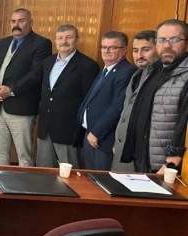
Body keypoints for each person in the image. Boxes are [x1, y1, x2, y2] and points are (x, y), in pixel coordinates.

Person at [0, 8, 51, 167]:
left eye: (21, 21)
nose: (16, 25)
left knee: (24, 155)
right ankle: (0, 182)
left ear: (30, 23)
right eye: (13, 21)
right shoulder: (3, 42)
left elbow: (35, 74)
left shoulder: (41, 44)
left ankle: (24, 184)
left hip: (21, 108)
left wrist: (10, 90)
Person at [121, 20, 188, 173]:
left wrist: (171, 161)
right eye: (162, 40)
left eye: (174, 40)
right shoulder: (154, 71)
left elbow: (184, 123)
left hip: (166, 167)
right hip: (143, 159)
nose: (167, 45)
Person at [36, 24, 99, 168]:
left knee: (69, 173)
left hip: (69, 131)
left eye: (69, 37)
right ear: (55, 41)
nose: (64, 41)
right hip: (46, 129)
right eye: (60, 38)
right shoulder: (47, 62)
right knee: (43, 172)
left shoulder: (88, 66)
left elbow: (89, 102)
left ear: (77, 40)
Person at [76, 31, 136, 170]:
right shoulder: (106, 69)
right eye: (104, 47)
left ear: (124, 50)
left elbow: (118, 107)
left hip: (103, 138)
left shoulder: (126, 72)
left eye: (112, 47)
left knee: (100, 178)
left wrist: (97, 132)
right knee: (89, 177)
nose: (106, 51)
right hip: (90, 134)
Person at [112, 30, 158, 171]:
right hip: (122, 148)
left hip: (141, 154)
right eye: (135, 50)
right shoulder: (137, 75)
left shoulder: (160, 78)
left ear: (158, 49)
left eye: (146, 50)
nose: (139, 55)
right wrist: (118, 141)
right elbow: (125, 112)